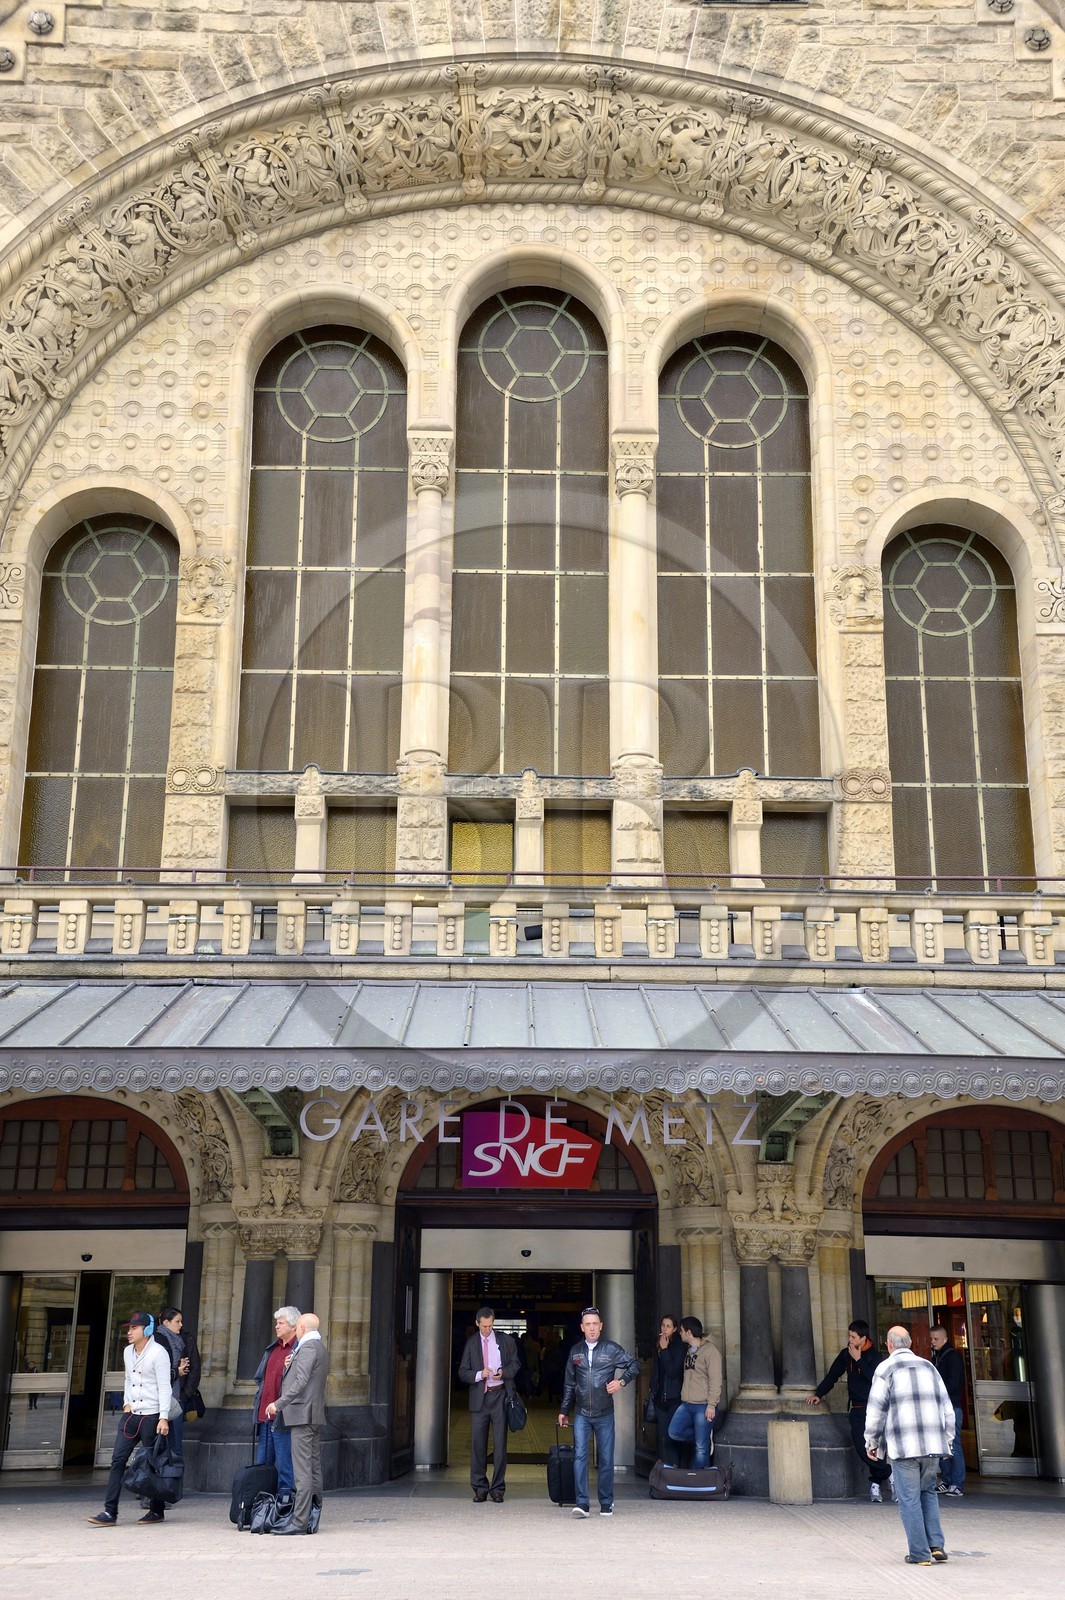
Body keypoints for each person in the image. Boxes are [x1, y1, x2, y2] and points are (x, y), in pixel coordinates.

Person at [864, 1325, 955, 1566]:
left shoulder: (885, 1368)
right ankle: (936, 1546)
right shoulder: (929, 1366)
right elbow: (946, 1406)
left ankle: (919, 1554)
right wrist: (948, 1439)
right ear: (911, 1343)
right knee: (928, 1491)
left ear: (889, 1345)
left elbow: (876, 1410)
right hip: (932, 1444)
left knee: (909, 1498)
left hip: (904, 1446)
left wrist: (871, 1441)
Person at [87, 1312, 173, 1527]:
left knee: (151, 1464)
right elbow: (128, 1379)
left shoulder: (158, 1352)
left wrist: (163, 1417)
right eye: (129, 1328)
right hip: (132, 1415)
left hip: (152, 1416)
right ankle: (110, 1512)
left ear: (147, 1329)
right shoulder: (127, 1352)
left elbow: (165, 1387)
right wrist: (127, 1403)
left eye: (134, 1328)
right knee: (117, 1460)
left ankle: (157, 1509)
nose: (129, 1332)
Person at [558, 1306, 641, 1518]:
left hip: (605, 1413)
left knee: (605, 1458)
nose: (592, 1328)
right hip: (582, 1412)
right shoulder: (575, 1352)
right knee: (580, 1456)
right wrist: (564, 1410)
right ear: (582, 1327)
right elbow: (569, 1383)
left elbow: (634, 1364)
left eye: (595, 1324)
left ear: (601, 1326)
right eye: (588, 1324)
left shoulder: (611, 1349)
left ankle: (606, 1502)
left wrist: (621, 1381)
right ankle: (582, 1503)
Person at [806, 1318, 893, 1502]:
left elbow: (875, 1379)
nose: (850, 1340)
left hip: (875, 1409)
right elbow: (833, 1375)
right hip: (858, 1408)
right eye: (849, 1336)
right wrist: (818, 1394)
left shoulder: (875, 1356)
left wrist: (859, 1360)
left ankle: (876, 1483)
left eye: (853, 1337)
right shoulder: (846, 1354)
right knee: (861, 1445)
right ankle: (890, 1474)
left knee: (874, 1448)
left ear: (863, 1339)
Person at [265, 1312, 329, 1535]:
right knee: (312, 1468)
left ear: (301, 1327)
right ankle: (312, 1516)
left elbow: (300, 1382)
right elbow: (302, 1377)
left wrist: (278, 1404)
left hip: (302, 1415)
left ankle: (300, 1522)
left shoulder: (308, 1348)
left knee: (302, 1471)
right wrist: (288, 1365)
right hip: (311, 1414)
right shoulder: (318, 1347)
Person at [458, 1306, 520, 1503]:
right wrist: (479, 1375)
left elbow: (516, 1364)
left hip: (500, 1395)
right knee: (478, 1444)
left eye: (490, 1326)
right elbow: (462, 1372)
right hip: (480, 1398)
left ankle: (497, 1489)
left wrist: (503, 1372)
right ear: (477, 1323)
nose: (487, 1330)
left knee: (500, 1444)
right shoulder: (471, 1343)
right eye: (484, 1326)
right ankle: (480, 1487)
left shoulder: (506, 1341)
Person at [253, 1305, 299, 1505]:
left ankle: (285, 1505)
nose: (276, 1326)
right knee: (263, 1464)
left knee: (285, 1465)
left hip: (283, 1418)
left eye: (281, 1323)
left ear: (293, 1326)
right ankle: (263, 1505)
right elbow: (260, 1378)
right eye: (276, 1322)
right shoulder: (272, 1348)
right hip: (265, 1416)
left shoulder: (298, 1349)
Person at [667, 1316, 722, 1468]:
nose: (680, 1333)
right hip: (687, 1404)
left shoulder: (710, 1351)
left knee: (700, 1449)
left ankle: (697, 1483)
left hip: (703, 1405)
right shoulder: (689, 1351)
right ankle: (704, 1435)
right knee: (674, 1432)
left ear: (689, 1332)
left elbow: (716, 1379)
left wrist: (711, 1405)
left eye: (682, 1331)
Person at [154, 1306, 200, 1473]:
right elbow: (156, 1373)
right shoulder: (155, 1341)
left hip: (176, 1399)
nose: (181, 1325)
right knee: (155, 1444)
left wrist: (184, 1395)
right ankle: (152, 1483)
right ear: (166, 1322)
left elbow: (194, 1369)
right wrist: (177, 1371)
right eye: (177, 1322)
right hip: (156, 1400)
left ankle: (173, 1483)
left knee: (175, 1445)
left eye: (181, 1321)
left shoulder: (184, 1339)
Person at [930, 1325, 966, 1497]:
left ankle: (957, 1483)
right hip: (942, 1407)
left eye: (936, 1339)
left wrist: (937, 1391)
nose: (932, 1342)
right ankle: (947, 1480)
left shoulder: (951, 1357)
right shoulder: (938, 1357)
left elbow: (954, 1383)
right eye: (931, 1339)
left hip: (951, 1406)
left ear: (944, 1339)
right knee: (943, 1446)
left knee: (954, 1445)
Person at [649, 1314, 686, 1466]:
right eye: (663, 1325)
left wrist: (664, 1350)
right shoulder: (659, 1343)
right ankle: (672, 1468)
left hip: (674, 1398)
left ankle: (679, 1469)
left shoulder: (680, 1346)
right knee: (665, 1436)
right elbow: (657, 1370)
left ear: (675, 1329)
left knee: (674, 1435)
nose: (664, 1329)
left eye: (668, 1326)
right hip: (660, 1398)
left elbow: (673, 1371)